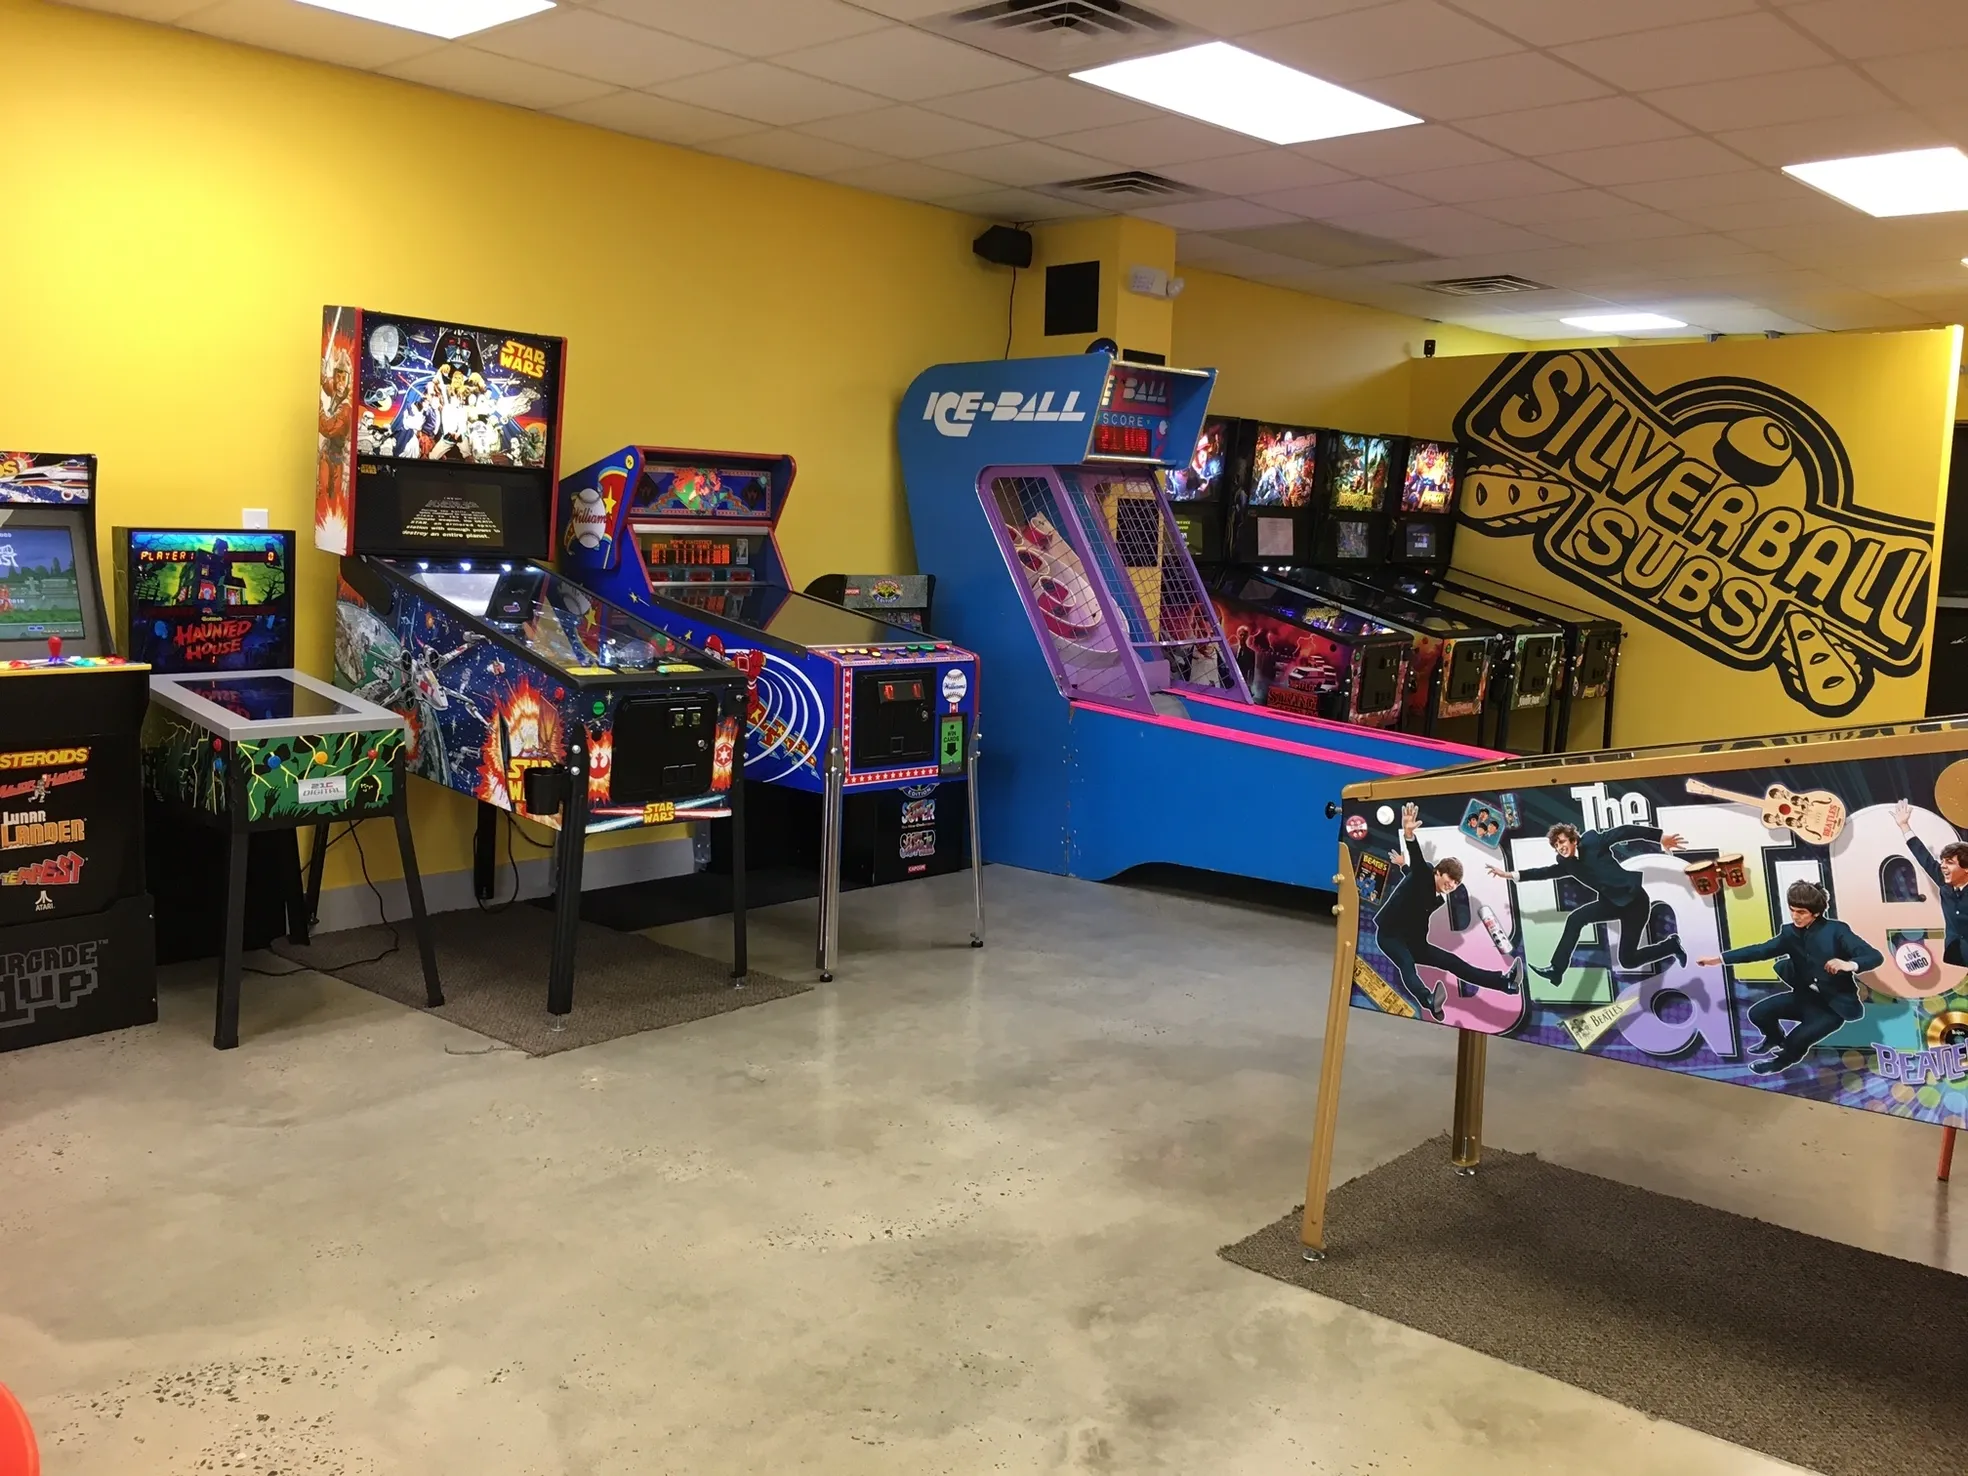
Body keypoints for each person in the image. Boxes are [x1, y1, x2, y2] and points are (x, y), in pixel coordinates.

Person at [1698, 880, 1882, 1075]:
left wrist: (1848, 964)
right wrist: (1719, 959)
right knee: (1758, 1013)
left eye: (1801, 912)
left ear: (1816, 913)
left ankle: (1780, 1062)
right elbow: (1760, 950)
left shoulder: (1837, 931)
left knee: (1796, 1040)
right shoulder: (1789, 933)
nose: (1795, 916)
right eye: (1792, 910)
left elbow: (1874, 956)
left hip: (1833, 1006)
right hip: (1805, 998)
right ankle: (1774, 1039)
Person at [1488, 820, 1686, 986]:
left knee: (1628, 960)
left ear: (1573, 839)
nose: (1560, 847)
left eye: (1562, 842)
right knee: (1576, 919)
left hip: (1636, 902)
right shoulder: (1567, 863)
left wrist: (1659, 837)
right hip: (1611, 903)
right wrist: (1510, 875)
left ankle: (1671, 945)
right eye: (1556, 845)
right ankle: (1556, 969)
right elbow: (1545, 872)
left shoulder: (1593, 841)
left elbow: (1625, 831)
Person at [1374, 803, 1523, 1022]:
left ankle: (1505, 983)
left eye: (1455, 883)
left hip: (1414, 942)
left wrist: (1403, 866)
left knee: (1454, 962)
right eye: (1449, 878)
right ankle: (1428, 1000)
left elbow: (1413, 876)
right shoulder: (1425, 872)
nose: (1451, 885)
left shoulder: (1435, 895)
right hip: (1390, 936)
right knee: (1406, 964)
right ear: (1437, 872)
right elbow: (1419, 865)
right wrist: (1409, 835)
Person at [1894, 798, 1968, 966]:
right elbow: (1923, 857)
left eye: (1950, 862)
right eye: (1943, 861)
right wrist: (1904, 826)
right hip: (1955, 953)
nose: (1943, 866)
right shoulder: (1944, 882)